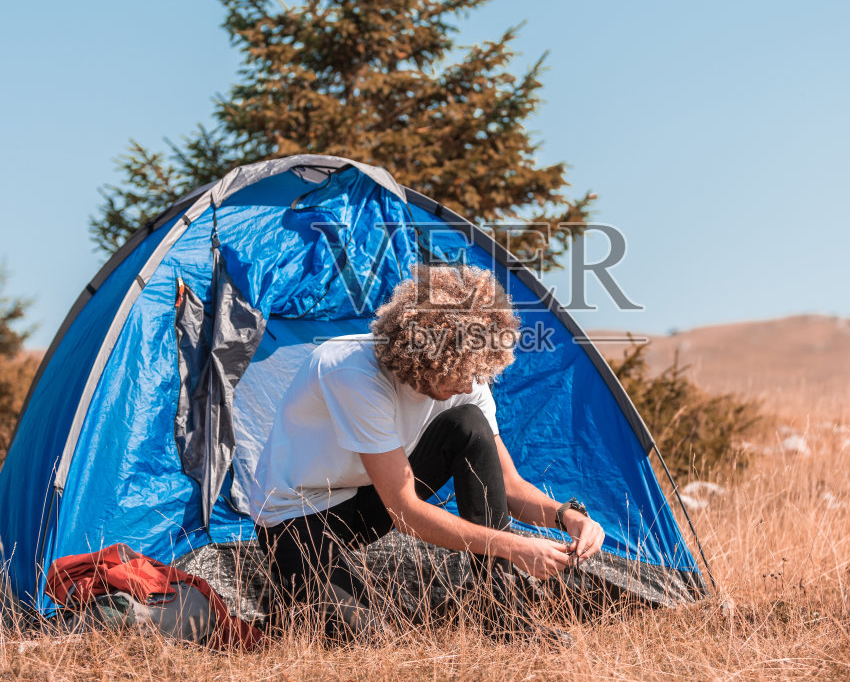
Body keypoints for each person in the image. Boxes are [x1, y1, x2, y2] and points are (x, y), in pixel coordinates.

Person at [250, 264, 606, 642]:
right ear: (428, 356)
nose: (471, 382)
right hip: (296, 520)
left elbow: (509, 484)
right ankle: (290, 599)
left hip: (366, 500)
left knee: (468, 424)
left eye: (478, 370)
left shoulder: (467, 376)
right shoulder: (352, 371)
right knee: (372, 645)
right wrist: (515, 546)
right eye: (462, 372)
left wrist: (567, 516)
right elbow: (404, 512)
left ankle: (506, 619)